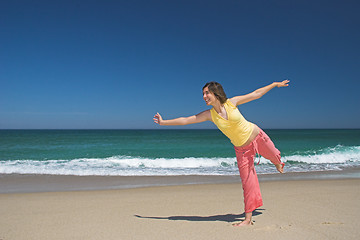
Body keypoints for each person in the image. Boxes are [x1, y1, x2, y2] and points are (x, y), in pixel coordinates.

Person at [153, 80, 290, 226]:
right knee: (247, 182)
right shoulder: (210, 114)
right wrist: (163, 122)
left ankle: (277, 162)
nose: (204, 96)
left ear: (215, 92)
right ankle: (248, 218)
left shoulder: (232, 102)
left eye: (207, 93)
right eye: (203, 94)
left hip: (257, 136)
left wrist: (275, 84)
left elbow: (256, 94)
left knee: (274, 154)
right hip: (242, 150)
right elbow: (186, 120)